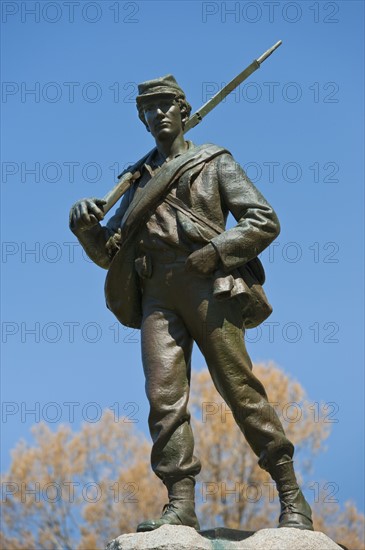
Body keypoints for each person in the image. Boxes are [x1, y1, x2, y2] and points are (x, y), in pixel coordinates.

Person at [69, 75, 313, 532]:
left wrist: (218, 252)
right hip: (156, 294)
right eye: (149, 108)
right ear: (142, 119)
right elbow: (110, 252)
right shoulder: (137, 181)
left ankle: (292, 496)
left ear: (183, 110)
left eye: (166, 105)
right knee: (163, 401)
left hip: (208, 286)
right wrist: (85, 227)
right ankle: (179, 503)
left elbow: (263, 220)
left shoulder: (214, 162)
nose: (159, 113)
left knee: (240, 392)